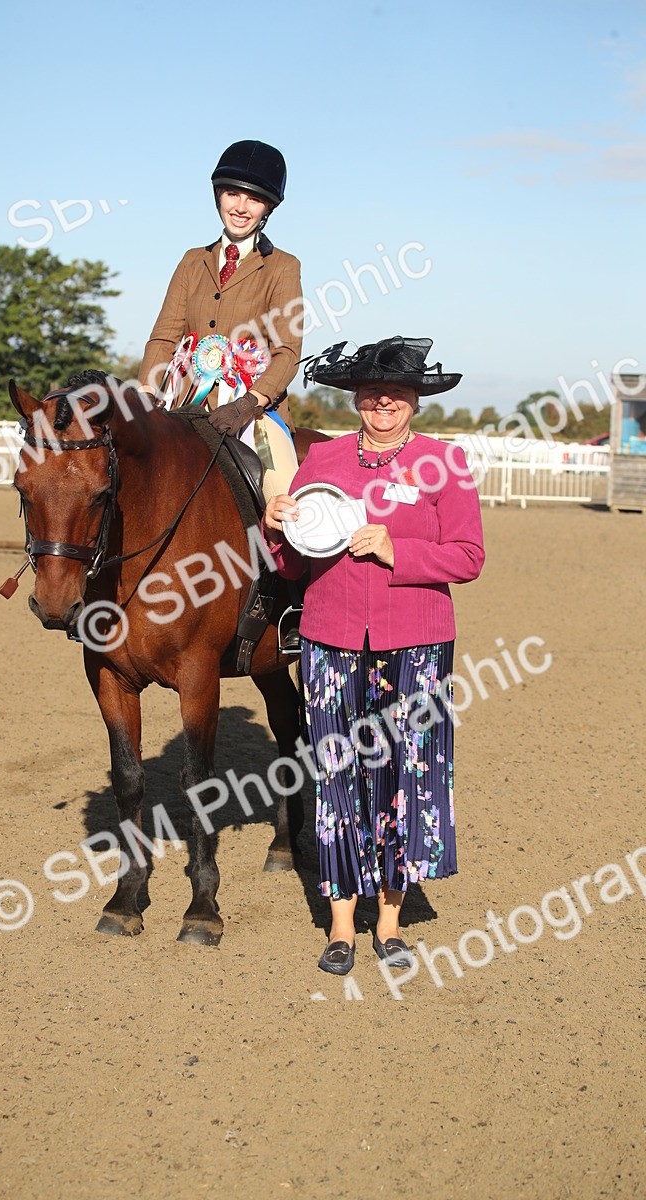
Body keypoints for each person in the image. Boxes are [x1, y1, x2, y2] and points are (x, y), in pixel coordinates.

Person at [262, 336, 485, 975]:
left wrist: (398, 551)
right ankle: (340, 928)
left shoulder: (445, 462)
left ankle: (389, 921)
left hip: (416, 642)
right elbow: (296, 558)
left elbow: (469, 557)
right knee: (338, 778)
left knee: (404, 776)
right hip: (331, 639)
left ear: (415, 400)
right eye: (370, 392)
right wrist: (277, 527)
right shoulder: (325, 458)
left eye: (395, 393)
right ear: (355, 397)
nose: (382, 402)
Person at [138, 139, 302, 499]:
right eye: (232, 194)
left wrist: (248, 403)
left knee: (285, 503)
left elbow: (288, 352)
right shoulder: (191, 260)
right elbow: (165, 337)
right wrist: (146, 394)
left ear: (267, 208)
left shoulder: (283, 267)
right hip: (180, 405)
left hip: (252, 415)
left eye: (254, 199)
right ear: (218, 197)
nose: (241, 207)